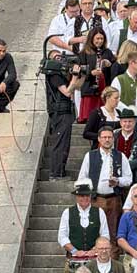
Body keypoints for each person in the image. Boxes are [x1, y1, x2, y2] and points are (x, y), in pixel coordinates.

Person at [44, 47, 86, 179]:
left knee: (65, 143)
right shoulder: (54, 75)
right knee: (60, 142)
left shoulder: (62, 74)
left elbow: (76, 87)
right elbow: (67, 92)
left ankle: (60, 172)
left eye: (61, 57)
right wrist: (74, 77)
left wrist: (81, 75)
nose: (60, 59)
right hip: (59, 112)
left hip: (67, 111)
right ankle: (55, 173)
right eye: (56, 58)